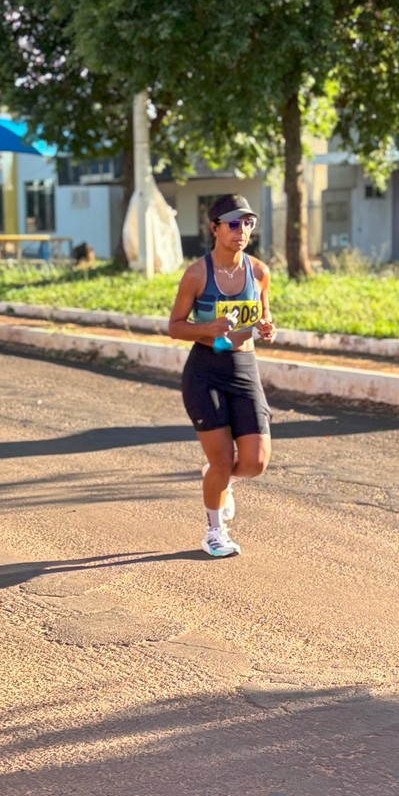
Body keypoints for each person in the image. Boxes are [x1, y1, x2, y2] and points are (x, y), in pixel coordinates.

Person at [168, 194, 275, 557]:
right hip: (206, 372)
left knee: (255, 462)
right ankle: (214, 532)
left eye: (248, 223)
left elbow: (263, 316)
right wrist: (208, 329)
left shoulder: (259, 271)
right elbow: (174, 327)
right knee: (221, 461)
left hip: (245, 368)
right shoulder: (197, 274)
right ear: (214, 228)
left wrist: (266, 326)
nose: (241, 231)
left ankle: (219, 482)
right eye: (233, 223)